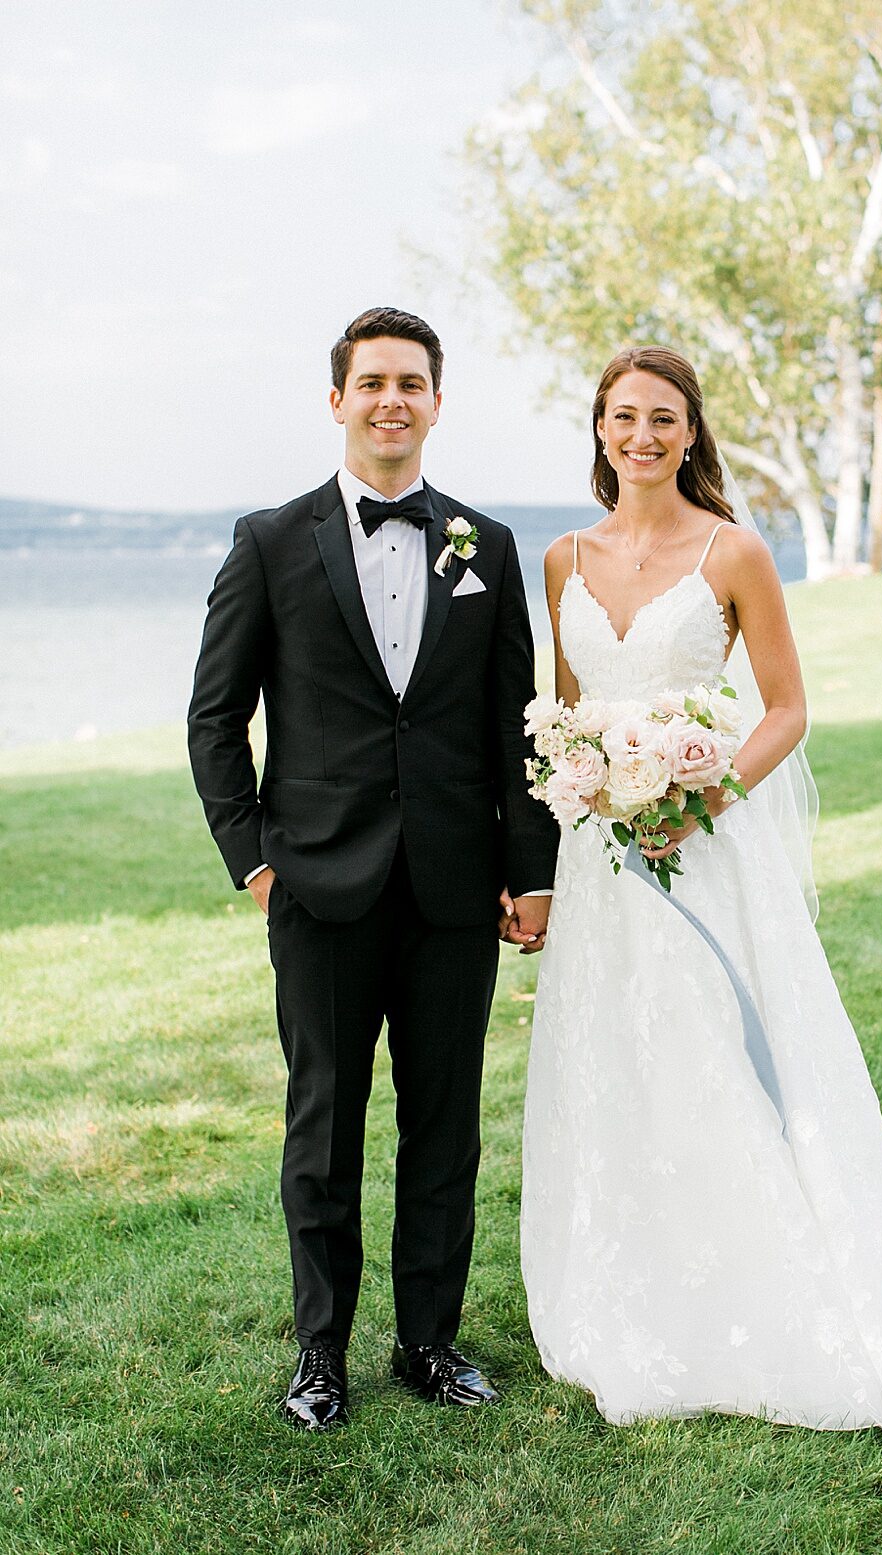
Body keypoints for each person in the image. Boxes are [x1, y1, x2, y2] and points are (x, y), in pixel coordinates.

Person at [520, 345, 882, 1446]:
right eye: (623, 417)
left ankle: (760, 1288)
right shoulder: (563, 559)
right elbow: (568, 710)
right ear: (599, 429)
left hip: (700, 847)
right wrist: (584, 781)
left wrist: (697, 793)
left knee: (714, 1049)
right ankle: (637, 1290)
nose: (641, 437)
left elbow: (784, 709)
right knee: (614, 1056)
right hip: (600, 862)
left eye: (662, 418)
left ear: (691, 431)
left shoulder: (735, 552)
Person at [188, 307, 558, 1430]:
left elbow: (516, 728)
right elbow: (216, 717)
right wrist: (254, 859)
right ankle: (320, 1355)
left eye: (412, 382)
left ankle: (431, 1344)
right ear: (338, 400)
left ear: (437, 403)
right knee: (325, 1125)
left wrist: (530, 867)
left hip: (455, 889)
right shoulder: (269, 540)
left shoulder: (485, 547)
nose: (392, 399)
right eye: (372, 382)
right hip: (319, 887)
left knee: (445, 1126)